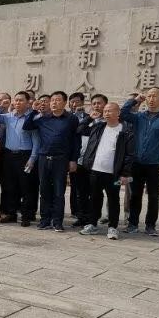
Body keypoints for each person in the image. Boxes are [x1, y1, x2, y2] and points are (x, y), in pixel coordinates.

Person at [121, 86, 159, 236]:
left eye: (155, 96)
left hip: (155, 164)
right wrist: (134, 100)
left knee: (153, 196)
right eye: (149, 96)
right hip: (137, 163)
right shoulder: (138, 117)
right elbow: (123, 113)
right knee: (135, 195)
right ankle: (132, 224)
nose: (151, 99)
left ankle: (150, 225)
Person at [24, 90, 79, 232]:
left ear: (65, 102)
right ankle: (45, 220)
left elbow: (75, 140)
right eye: (52, 100)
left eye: (58, 100)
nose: (54, 102)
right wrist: (33, 110)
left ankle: (58, 221)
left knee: (59, 192)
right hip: (44, 158)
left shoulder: (71, 119)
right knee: (44, 190)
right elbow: (27, 126)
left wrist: (73, 160)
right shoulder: (43, 118)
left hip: (61, 159)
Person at [77, 102, 134, 240]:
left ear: (118, 113)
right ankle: (92, 224)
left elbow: (129, 154)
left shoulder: (126, 131)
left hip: (114, 174)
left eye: (110, 110)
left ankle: (112, 227)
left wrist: (125, 174)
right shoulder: (98, 127)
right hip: (95, 171)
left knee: (113, 199)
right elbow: (79, 130)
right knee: (94, 198)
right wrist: (89, 118)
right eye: (105, 111)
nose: (106, 113)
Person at [0, 91, 39, 226]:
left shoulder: (32, 118)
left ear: (28, 103)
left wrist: (32, 158)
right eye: (16, 100)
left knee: (26, 187)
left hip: (25, 156)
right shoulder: (8, 117)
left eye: (21, 100)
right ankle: (11, 213)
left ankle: (26, 216)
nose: (18, 103)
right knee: (10, 186)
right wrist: (1, 106)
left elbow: (36, 141)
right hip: (9, 156)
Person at [71, 94, 106, 227]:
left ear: (105, 105)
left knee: (96, 193)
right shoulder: (88, 119)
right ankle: (82, 217)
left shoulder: (108, 122)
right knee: (81, 192)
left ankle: (93, 218)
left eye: (99, 103)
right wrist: (89, 118)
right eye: (94, 103)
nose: (97, 106)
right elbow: (79, 130)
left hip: (98, 164)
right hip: (83, 162)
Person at [67, 92, 88, 221]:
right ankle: (74, 210)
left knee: (83, 186)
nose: (75, 104)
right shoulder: (66, 116)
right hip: (70, 155)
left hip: (85, 156)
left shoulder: (89, 117)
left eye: (77, 101)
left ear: (82, 103)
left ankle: (83, 211)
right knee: (73, 186)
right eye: (72, 102)